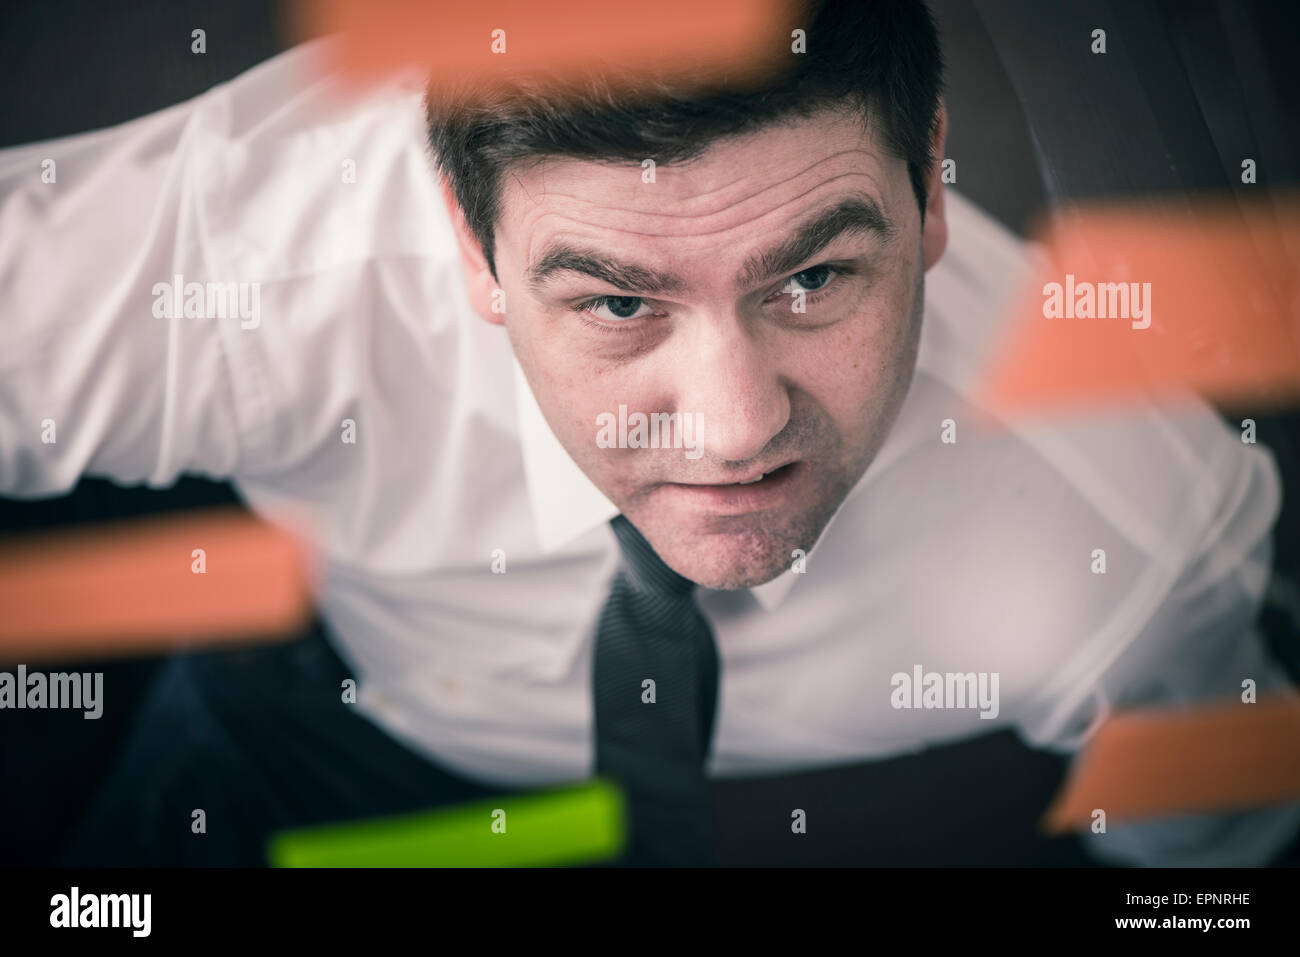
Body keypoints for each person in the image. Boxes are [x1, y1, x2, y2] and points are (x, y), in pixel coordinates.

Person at [2, 0, 1296, 866]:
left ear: (931, 186)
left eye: (815, 279)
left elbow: (1207, 855)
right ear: (472, 247)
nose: (737, 432)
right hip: (320, 725)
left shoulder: (1136, 534)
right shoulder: (254, 265)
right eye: (620, 300)